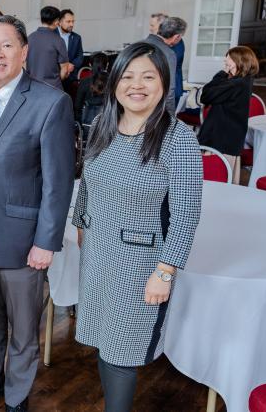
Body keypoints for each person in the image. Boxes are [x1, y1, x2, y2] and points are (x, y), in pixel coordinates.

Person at [72, 41, 202, 412]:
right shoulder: (102, 124)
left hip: (141, 264)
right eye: (127, 76)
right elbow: (88, 180)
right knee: (102, 340)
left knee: (121, 352)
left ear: (164, 83)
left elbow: (187, 213)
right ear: (114, 82)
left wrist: (166, 271)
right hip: (98, 252)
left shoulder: (178, 139)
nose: (137, 85)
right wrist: (80, 222)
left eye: (148, 76)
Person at [0, 15, 75, 412]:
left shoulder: (51, 102)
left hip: (24, 241)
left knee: (23, 329)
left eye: (7, 45)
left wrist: (46, 242)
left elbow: (59, 182)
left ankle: (17, 395)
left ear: (24, 52)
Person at [197, 46, 259, 184]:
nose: (226, 61)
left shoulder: (236, 84)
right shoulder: (244, 80)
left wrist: (221, 74)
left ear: (239, 61)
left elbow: (205, 96)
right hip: (229, 135)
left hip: (221, 138)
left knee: (215, 179)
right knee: (225, 177)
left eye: (229, 59)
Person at [144, 16, 186, 114]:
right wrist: (170, 117)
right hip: (157, 103)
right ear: (177, 37)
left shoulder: (137, 45)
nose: (150, 28)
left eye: (152, 25)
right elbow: (169, 89)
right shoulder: (168, 53)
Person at [26, 5, 71, 90]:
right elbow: (64, 69)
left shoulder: (30, 38)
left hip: (32, 86)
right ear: (56, 21)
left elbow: (23, 64)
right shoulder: (58, 40)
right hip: (53, 88)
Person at [74, 52, 109, 134]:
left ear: (90, 65)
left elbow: (77, 106)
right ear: (107, 65)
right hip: (108, 125)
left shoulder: (84, 82)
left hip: (87, 127)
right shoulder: (113, 82)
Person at [57, 9, 84, 81]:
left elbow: (80, 57)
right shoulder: (52, 35)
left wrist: (70, 65)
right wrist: (63, 66)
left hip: (70, 77)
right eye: (68, 21)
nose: (71, 24)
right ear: (60, 22)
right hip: (55, 77)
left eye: (73, 21)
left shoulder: (77, 37)